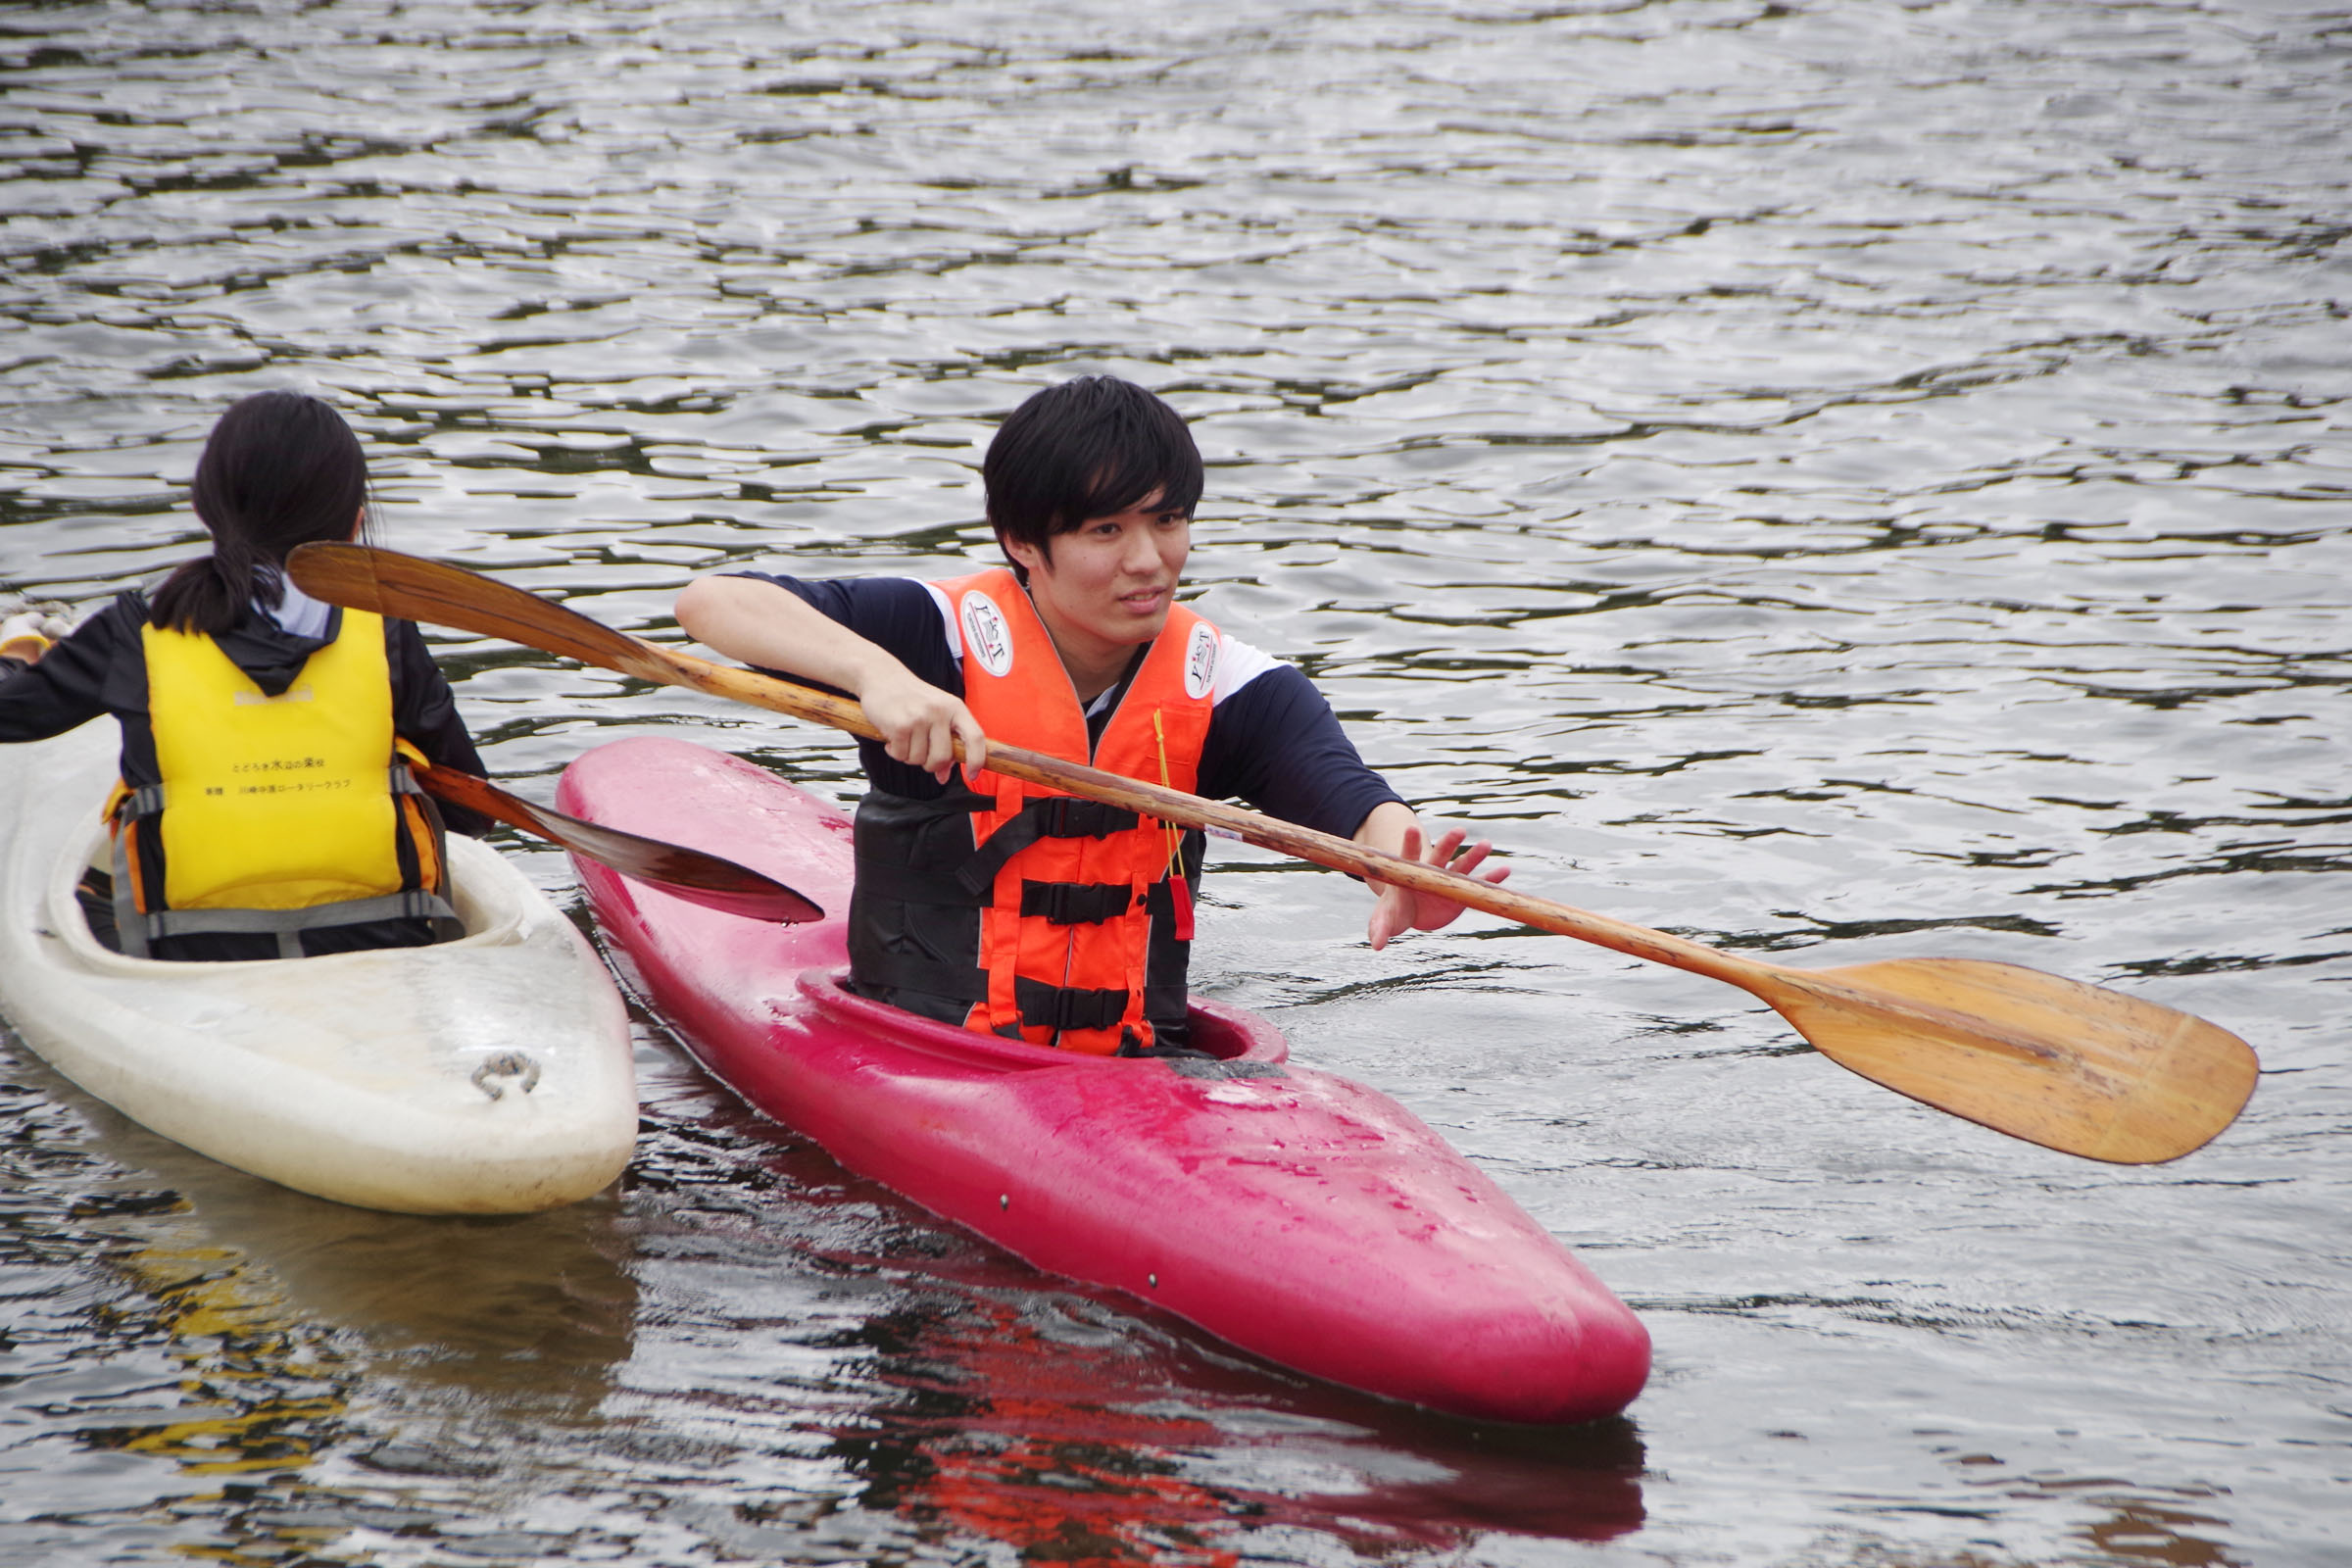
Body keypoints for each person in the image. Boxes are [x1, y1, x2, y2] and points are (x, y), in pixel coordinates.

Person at [675, 374, 1506, 1056]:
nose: (1148, 561)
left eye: (1168, 521)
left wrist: (1400, 869)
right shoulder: (937, 635)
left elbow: (1350, 798)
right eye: (1107, 530)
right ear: (1022, 544)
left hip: (1129, 1062)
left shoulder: (1229, 684)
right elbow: (712, 603)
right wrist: (878, 678)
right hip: (922, 1044)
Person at [0, 389, 491, 961]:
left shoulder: (132, 633)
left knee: (94, 880)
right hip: (383, 941)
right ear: (357, 521)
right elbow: (470, 812)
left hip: (189, 956)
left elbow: (13, 715)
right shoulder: (383, 632)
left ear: (203, 506)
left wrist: (18, 658)